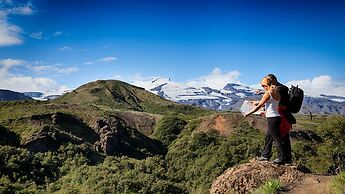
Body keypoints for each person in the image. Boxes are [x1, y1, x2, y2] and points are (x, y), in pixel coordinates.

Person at [244, 77, 285, 164]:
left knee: (276, 139)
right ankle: (265, 155)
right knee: (268, 137)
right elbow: (270, 104)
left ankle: (281, 158)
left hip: (272, 118)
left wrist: (249, 113)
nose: (263, 87)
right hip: (276, 117)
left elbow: (259, 106)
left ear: (267, 85)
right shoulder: (276, 93)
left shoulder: (268, 94)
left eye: (263, 85)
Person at [265, 74, 293, 164]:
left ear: (273, 80)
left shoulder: (281, 88)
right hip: (279, 115)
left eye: (268, 81)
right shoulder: (281, 88)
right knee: (270, 134)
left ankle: (284, 158)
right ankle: (265, 155)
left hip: (282, 115)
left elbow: (273, 94)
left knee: (282, 137)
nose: (267, 83)